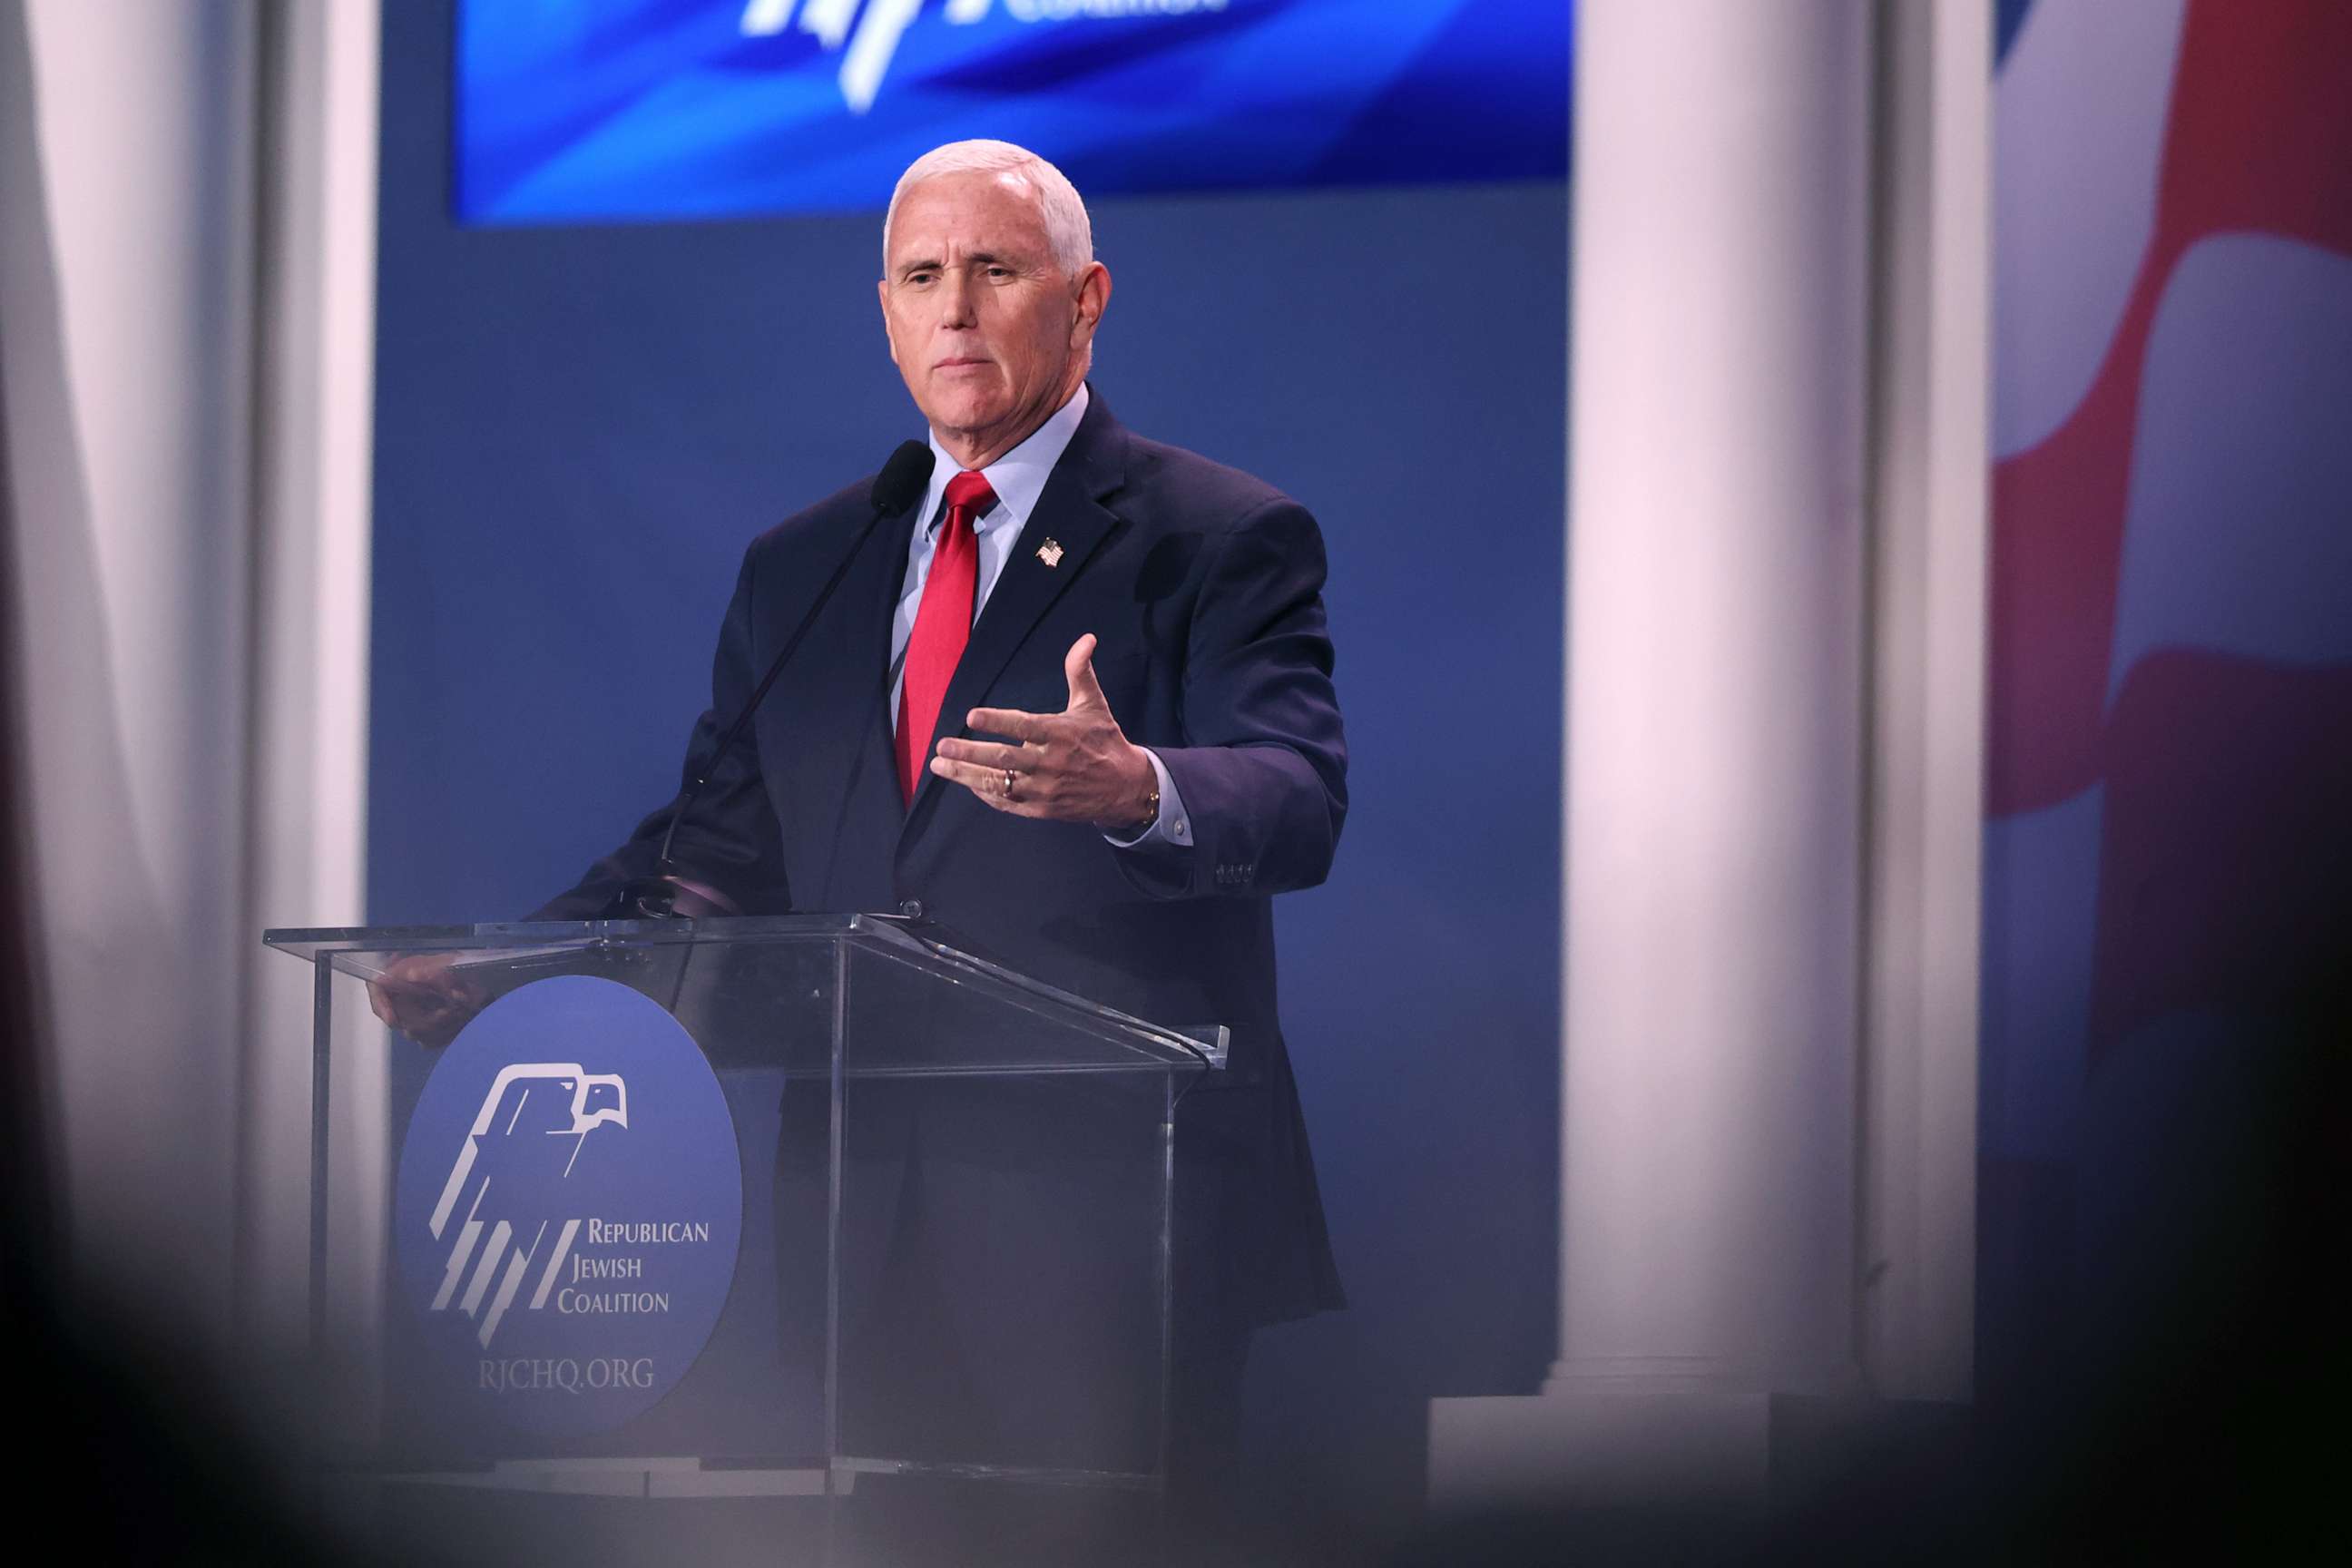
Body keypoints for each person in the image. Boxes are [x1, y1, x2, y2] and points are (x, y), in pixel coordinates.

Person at [372, 137, 1346, 1541]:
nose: (955, 308)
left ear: (1086, 300)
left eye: (996, 270)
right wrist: (515, 974)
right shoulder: (810, 563)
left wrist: (1139, 786)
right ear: (884, 312)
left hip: (1115, 1216)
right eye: (922, 276)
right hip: (863, 1224)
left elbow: (1301, 795)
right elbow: (710, 855)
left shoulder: (1216, 535)